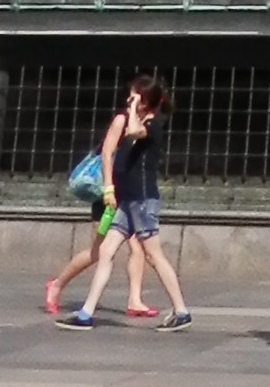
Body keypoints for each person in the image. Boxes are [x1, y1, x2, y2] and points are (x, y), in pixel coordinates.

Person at [68, 75, 190, 327]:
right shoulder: (140, 119)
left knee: (154, 256)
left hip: (142, 199)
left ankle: (181, 311)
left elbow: (134, 132)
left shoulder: (154, 123)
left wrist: (133, 108)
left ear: (146, 101)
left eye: (135, 96)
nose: (128, 99)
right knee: (106, 251)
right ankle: (86, 313)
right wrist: (110, 188)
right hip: (126, 200)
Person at [46, 87, 125, 320]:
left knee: (142, 250)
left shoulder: (143, 128)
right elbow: (107, 157)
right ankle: (57, 284)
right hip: (108, 198)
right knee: (98, 251)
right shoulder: (123, 127)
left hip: (129, 198)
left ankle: (135, 301)